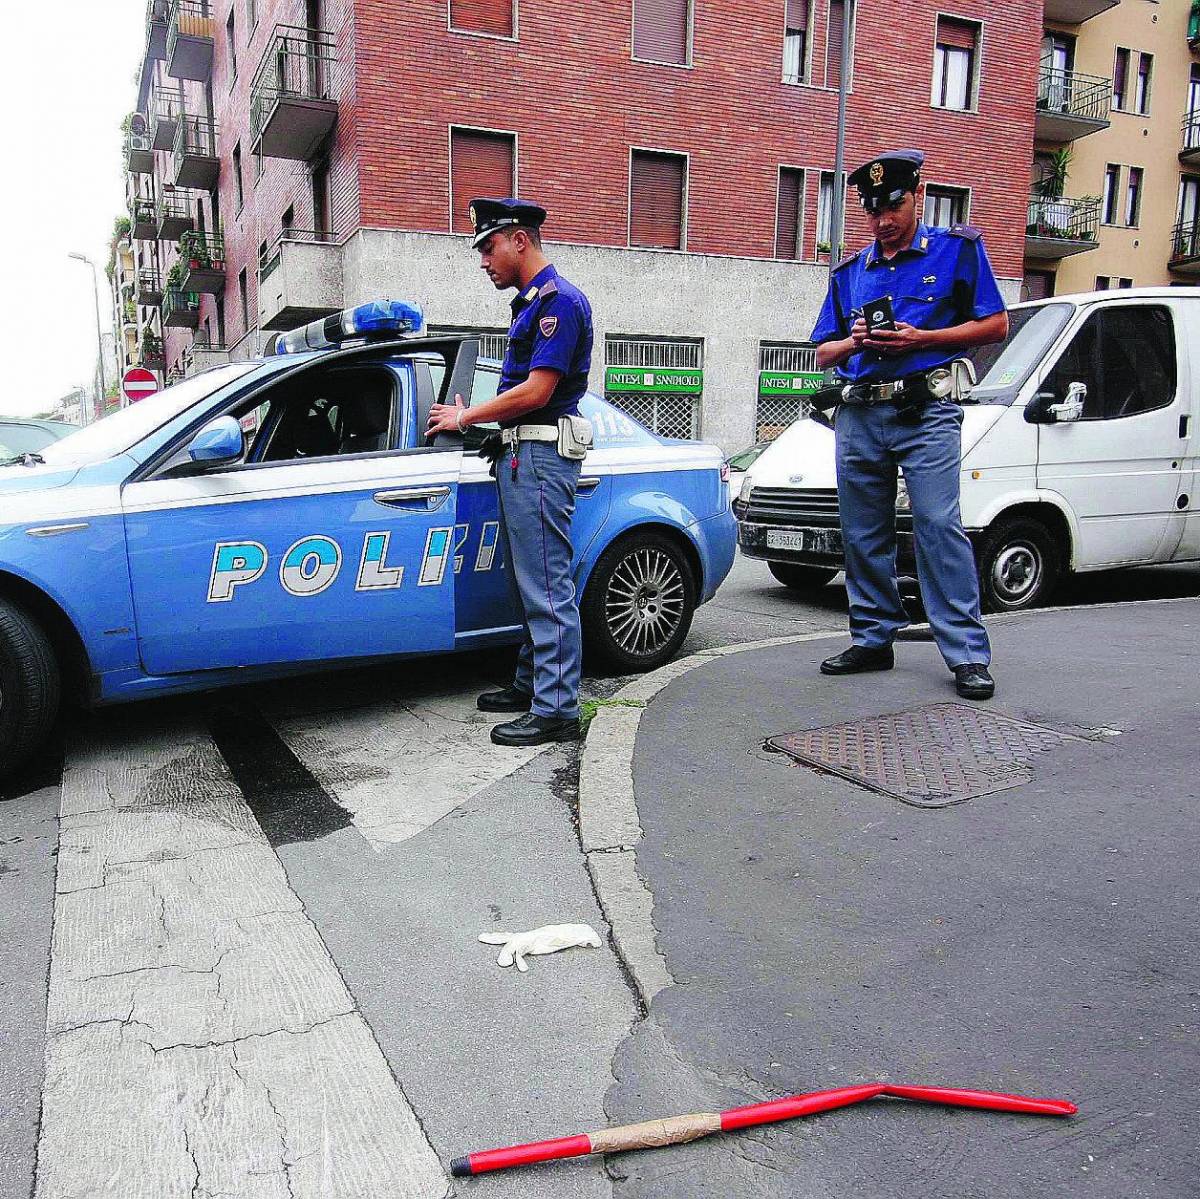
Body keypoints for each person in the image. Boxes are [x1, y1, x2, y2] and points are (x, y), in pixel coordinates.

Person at [809, 150, 1009, 700]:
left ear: (917, 194)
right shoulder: (851, 272)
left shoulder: (957, 251)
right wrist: (859, 340)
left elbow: (996, 324)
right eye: (872, 211)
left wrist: (922, 340)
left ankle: (967, 652)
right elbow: (823, 351)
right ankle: (873, 638)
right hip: (861, 412)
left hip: (926, 411)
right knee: (862, 532)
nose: (883, 220)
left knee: (938, 525)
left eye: (893, 206)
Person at [427, 197, 594, 745]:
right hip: (521, 455)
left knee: (547, 583)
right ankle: (533, 682)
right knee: (528, 580)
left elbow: (538, 390)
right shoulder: (530, 305)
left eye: (488, 246)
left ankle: (557, 709)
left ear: (519, 240)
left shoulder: (558, 303)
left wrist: (466, 414)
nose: (483, 260)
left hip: (540, 458)